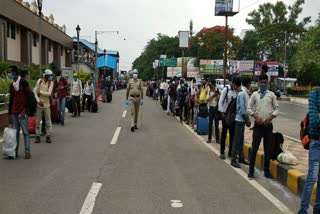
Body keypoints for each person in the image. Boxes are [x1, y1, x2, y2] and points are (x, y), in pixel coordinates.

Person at [247, 74, 279, 179]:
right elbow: (248, 108)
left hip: (268, 126)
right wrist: (255, 117)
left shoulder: (271, 95)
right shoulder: (255, 94)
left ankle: (266, 171)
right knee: (254, 148)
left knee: (267, 149)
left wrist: (270, 118)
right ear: (259, 83)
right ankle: (251, 170)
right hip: (258, 126)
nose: (263, 84)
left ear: (267, 83)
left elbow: (277, 109)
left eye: (265, 82)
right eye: (262, 82)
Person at [298, 87, 320, 214]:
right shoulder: (314, 94)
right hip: (316, 142)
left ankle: (317, 208)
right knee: (312, 177)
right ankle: (302, 210)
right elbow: (315, 121)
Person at [7, 66, 32, 159]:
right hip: (14, 112)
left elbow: (29, 97)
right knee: (15, 133)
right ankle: (14, 152)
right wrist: (9, 113)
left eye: (10, 72)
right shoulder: (11, 85)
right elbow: (11, 99)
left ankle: (27, 152)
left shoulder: (24, 83)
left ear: (16, 73)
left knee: (25, 132)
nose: (9, 74)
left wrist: (25, 109)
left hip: (22, 112)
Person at [230, 77, 252, 168]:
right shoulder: (242, 94)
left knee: (241, 140)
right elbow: (242, 110)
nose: (232, 85)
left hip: (241, 120)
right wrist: (247, 120)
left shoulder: (241, 93)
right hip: (240, 120)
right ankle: (233, 159)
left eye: (233, 84)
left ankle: (241, 157)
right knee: (237, 140)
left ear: (236, 84)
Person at [218, 78, 237, 159]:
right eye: (234, 84)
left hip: (233, 117)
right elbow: (220, 102)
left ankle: (230, 152)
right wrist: (222, 113)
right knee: (224, 135)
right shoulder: (226, 89)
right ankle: (222, 152)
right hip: (225, 115)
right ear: (231, 83)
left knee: (232, 135)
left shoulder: (236, 91)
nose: (235, 86)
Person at [33, 69, 54, 144]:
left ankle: (48, 136)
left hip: (47, 104)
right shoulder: (39, 81)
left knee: (48, 121)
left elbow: (49, 93)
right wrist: (38, 100)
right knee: (37, 121)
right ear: (46, 75)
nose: (51, 77)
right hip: (39, 104)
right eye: (50, 75)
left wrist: (40, 92)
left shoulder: (51, 83)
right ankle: (37, 136)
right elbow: (34, 91)